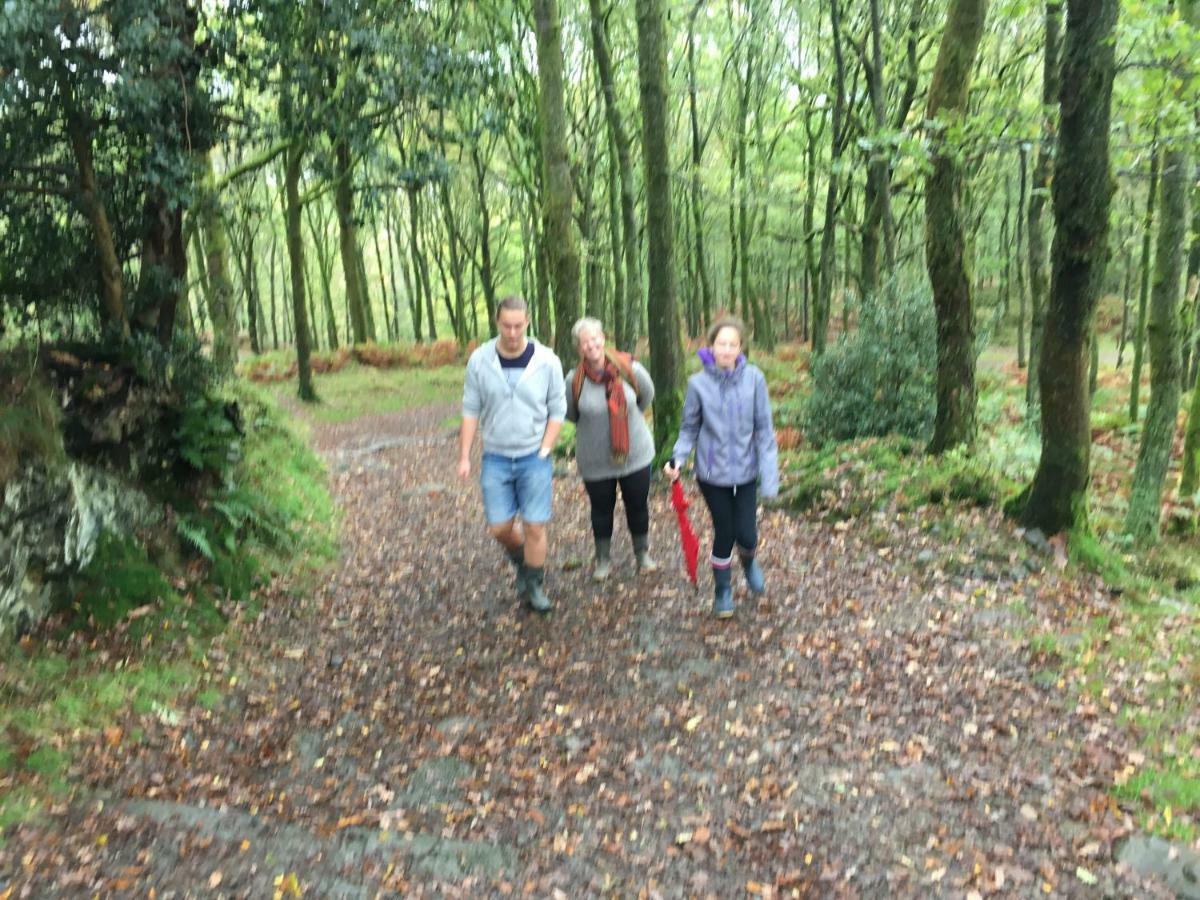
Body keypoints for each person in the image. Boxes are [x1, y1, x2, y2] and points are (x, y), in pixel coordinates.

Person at [664, 315, 778, 618]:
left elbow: (765, 430)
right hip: (712, 475)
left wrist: (770, 478)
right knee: (725, 531)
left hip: (746, 470)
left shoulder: (755, 379)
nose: (726, 350)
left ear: (740, 348)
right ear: (711, 346)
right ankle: (722, 590)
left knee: (748, 535)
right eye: (720, 344)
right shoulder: (697, 384)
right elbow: (689, 427)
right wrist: (678, 458)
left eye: (732, 344)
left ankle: (749, 561)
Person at [458, 296, 566, 612]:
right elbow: (470, 409)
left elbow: (557, 409)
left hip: (535, 457)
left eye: (518, 325)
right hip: (496, 456)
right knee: (499, 527)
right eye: (507, 325)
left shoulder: (547, 361)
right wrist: (464, 455)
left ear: (527, 323)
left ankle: (534, 586)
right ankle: (522, 561)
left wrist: (547, 446)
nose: (513, 332)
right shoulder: (480, 360)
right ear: (497, 323)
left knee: (535, 525)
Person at [565, 317, 658, 581]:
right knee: (601, 509)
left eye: (595, 338)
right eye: (585, 342)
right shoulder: (574, 380)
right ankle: (603, 560)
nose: (591, 345)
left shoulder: (630, 367)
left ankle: (642, 554)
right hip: (595, 459)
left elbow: (646, 396)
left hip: (636, 454)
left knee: (637, 505)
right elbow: (571, 413)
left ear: (603, 339)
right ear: (579, 347)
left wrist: (626, 420)